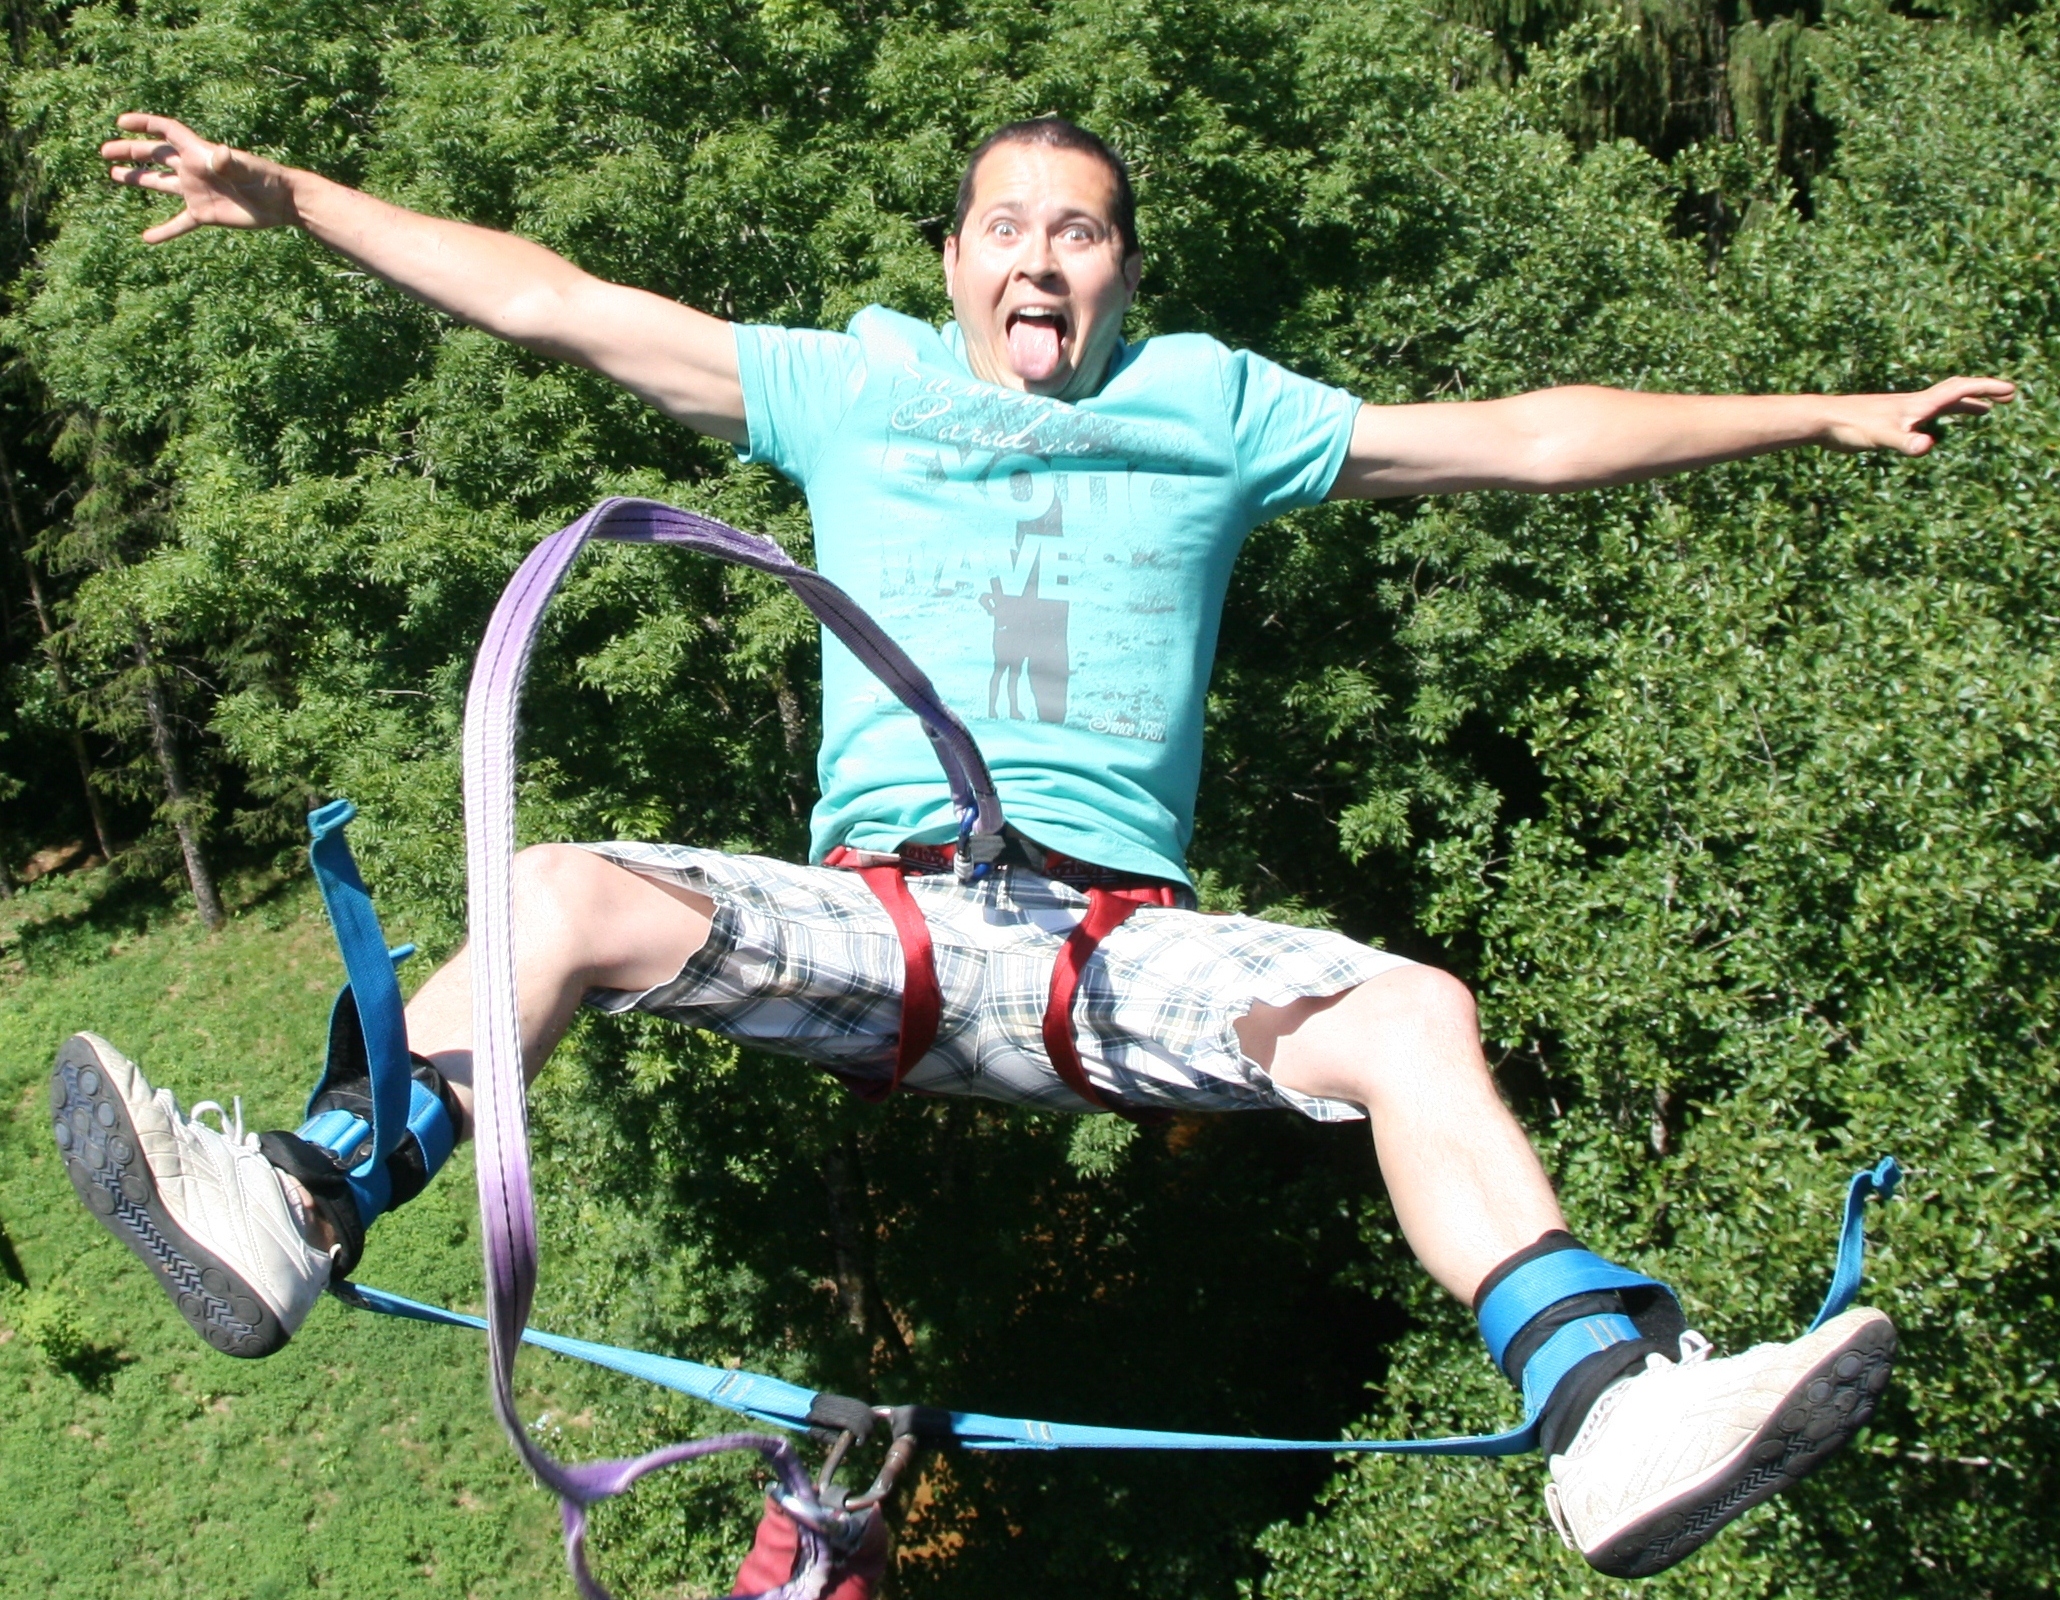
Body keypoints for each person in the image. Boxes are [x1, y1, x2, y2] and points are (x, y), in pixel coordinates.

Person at [51, 110, 2012, 1583]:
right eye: (1008, 226)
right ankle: (299, 1204)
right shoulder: (853, 384)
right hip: (875, 922)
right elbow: (551, 299)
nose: (1042, 259)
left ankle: (1605, 1411)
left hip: (1113, 957)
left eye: (1079, 231)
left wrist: (1824, 414)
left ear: (1123, 273)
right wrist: (292, 199)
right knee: (558, 892)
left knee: (1409, 1010)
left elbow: (1527, 434)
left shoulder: (1217, 409)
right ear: (955, 260)